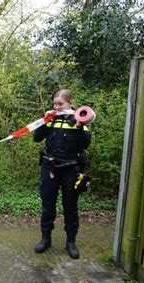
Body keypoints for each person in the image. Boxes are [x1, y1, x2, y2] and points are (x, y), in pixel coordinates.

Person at [32, 89, 91, 259]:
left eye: (60, 104)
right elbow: (37, 138)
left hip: (70, 169)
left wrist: (78, 126)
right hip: (49, 167)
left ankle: (70, 242)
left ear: (70, 102)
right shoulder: (51, 119)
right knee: (47, 205)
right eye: (55, 104)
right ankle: (45, 239)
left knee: (70, 206)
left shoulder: (80, 118)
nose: (57, 107)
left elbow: (85, 144)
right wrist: (45, 120)